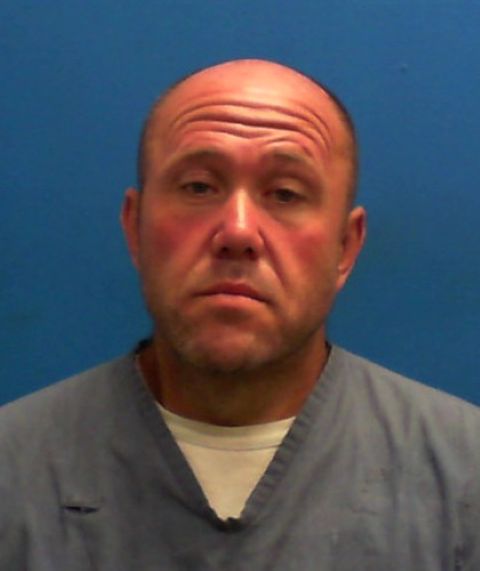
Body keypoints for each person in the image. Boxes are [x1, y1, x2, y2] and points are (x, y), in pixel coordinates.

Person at [1, 59, 479, 570]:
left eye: (286, 194)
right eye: (199, 187)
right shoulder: (14, 471)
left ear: (345, 246)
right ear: (135, 228)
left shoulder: (464, 477)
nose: (238, 232)